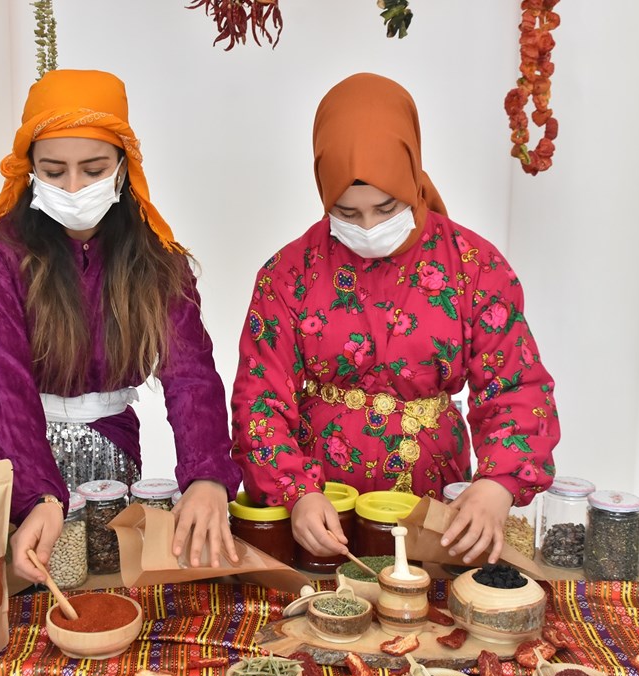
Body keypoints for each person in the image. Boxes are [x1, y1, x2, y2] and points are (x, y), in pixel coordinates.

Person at [229, 73, 560, 565]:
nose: (369, 228)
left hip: (435, 500)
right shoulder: (290, 273)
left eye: (387, 207)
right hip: (323, 509)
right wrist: (294, 493)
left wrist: (497, 486)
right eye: (347, 213)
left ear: (412, 178)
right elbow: (260, 396)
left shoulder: (474, 265)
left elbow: (516, 385)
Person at [0, 69, 242, 583]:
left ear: (123, 169)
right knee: (13, 600)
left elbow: (192, 376)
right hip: (6, 461)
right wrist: (38, 497)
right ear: (30, 170)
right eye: (53, 170)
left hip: (108, 464)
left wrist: (207, 477)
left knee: (105, 591)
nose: (74, 187)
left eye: (93, 169)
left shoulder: (158, 260)